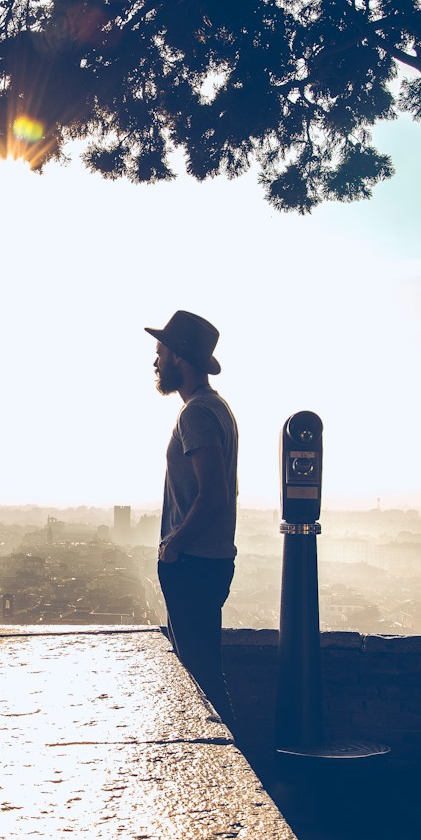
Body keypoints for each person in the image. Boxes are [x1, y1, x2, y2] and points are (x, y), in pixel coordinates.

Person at [146, 310, 238, 726]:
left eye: (161, 352)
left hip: (194, 563)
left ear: (180, 358)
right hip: (208, 560)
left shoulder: (196, 414)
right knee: (203, 673)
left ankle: (228, 767)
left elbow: (215, 495)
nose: (156, 362)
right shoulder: (216, 409)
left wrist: (174, 545)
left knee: (198, 679)